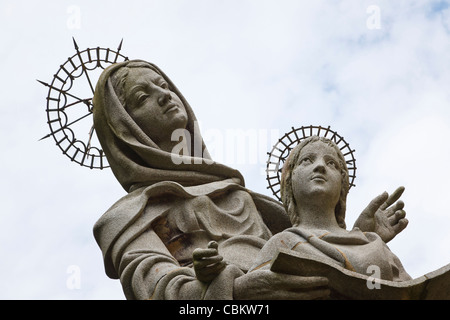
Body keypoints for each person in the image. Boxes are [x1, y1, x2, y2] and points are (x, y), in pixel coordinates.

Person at [92, 60, 408, 299]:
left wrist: (357, 237)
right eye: (142, 97)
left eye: (164, 86)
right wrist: (240, 291)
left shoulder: (231, 188)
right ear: (123, 127)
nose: (163, 96)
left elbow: (308, 256)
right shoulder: (127, 217)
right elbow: (158, 291)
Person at [247, 136, 412, 290]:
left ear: (342, 184)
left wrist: (363, 238)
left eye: (331, 163)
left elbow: (410, 293)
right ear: (291, 181)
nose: (320, 166)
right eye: (307, 160)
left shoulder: (374, 245)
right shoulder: (282, 243)